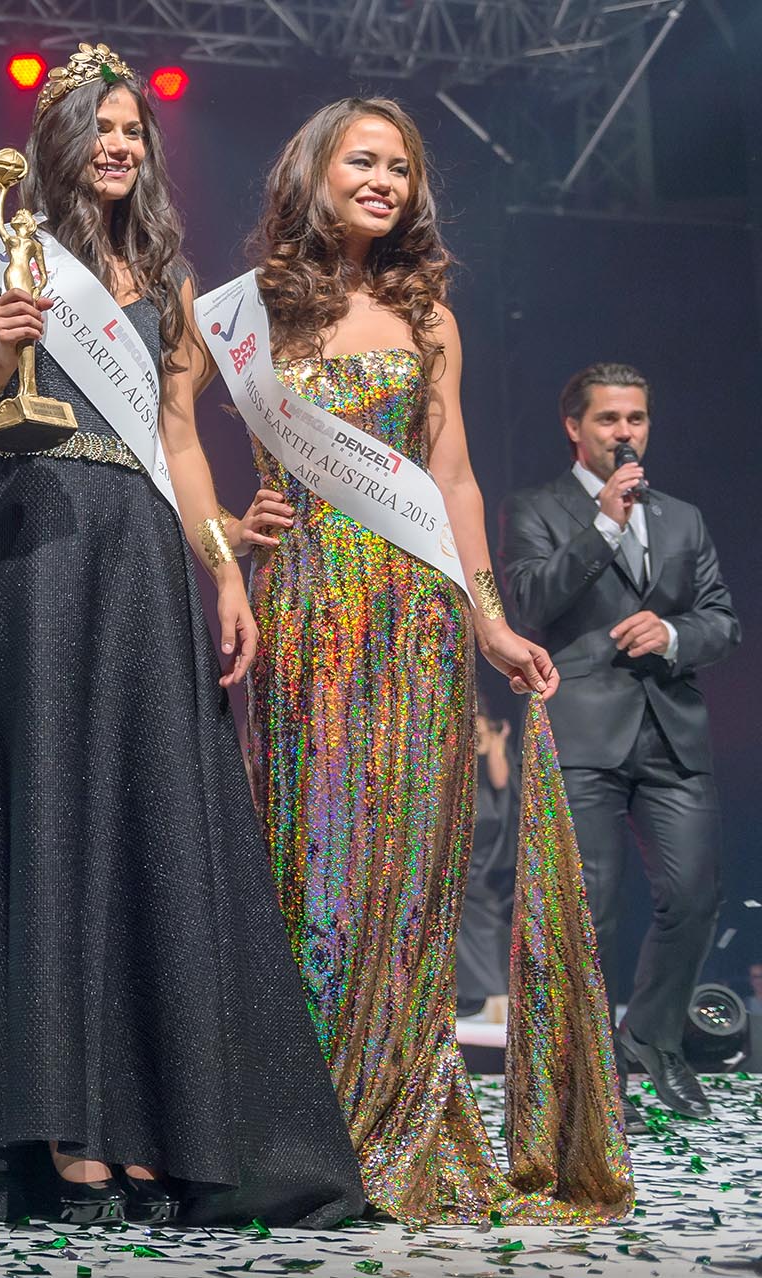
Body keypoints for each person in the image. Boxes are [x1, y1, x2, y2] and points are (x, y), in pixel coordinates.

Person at [0, 45, 363, 1230]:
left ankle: (163, 1119)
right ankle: (62, 1129)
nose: (119, 146)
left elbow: (178, 443)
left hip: (143, 558)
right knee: (54, 818)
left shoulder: (164, 278)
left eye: (132, 132)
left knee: (147, 826)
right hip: (38, 552)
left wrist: (225, 567)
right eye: (100, 128)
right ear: (58, 141)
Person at [231, 97, 631, 1223]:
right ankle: (302, 1123)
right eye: (362, 161)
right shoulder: (251, 309)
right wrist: (229, 533)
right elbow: (180, 432)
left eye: (400, 168)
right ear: (313, 171)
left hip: (414, 619)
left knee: (408, 872)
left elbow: (451, 477)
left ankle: (398, 1117)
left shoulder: (429, 315)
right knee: (312, 864)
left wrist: (490, 619)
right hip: (308, 609)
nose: (383, 182)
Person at [499, 361, 739, 1122]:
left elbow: (723, 620)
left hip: (672, 730)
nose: (625, 432)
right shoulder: (535, 508)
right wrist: (602, 526)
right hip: (584, 731)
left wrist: (672, 632)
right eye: (609, 419)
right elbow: (527, 600)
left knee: (694, 896)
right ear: (575, 427)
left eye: (636, 419)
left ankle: (654, 1039)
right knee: (591, 909)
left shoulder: (682, 518)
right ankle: (596, 1071)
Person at [455, 709, 518, 1022]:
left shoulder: (492, 739)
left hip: (487, 833)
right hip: (462, 824)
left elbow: (501, 779)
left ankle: (494, 990)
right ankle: (469, 990)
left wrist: (495, 742)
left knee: (486, 915)